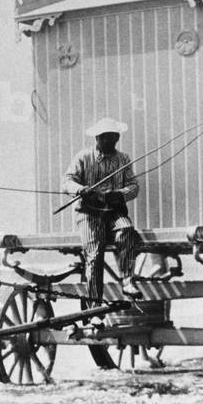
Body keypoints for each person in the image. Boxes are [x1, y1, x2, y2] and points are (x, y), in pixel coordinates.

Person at [63, 118, 143, 303]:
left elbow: (134, 186)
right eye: (105, 138)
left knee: (127, 230)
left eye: (113, 138)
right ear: (97, 138)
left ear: (117, 138)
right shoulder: (83, 157)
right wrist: (80, 189)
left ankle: (127, 280)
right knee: (94, 254)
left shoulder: (123, 159)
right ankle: (94, 304)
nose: (109, 141)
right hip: (89, 213)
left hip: (114, 212)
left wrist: (120, 194)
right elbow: (67, 181)